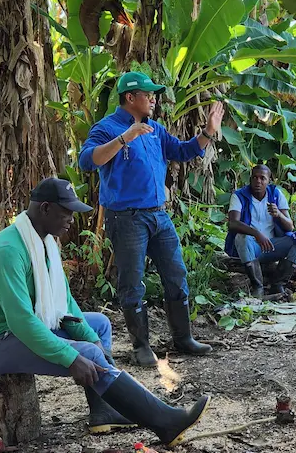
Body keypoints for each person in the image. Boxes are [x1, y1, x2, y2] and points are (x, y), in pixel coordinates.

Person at [0, 178, 209, 446]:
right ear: (45, 208)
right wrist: (71, 356)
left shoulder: (43, 243)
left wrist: (91, 340)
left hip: (19, 328)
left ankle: (104, 410)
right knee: (86, 354)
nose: (71, 219)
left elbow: (66, 305)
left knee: (98, 326)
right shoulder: (8, 251)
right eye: (66, 211)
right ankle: (166, 423)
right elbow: (21, 321)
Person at [79, 72, 223, 365]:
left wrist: (208, 131)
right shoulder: (107, 128)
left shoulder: (155, 128)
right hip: (127, 219)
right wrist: (124, 138)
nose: (154, 99)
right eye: (149, 94)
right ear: (130, 98)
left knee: (176, 275)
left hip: (159, 215)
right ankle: (140, 346)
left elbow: (183, 151)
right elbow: (86, 161)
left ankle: (183, 339)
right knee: (132, 282)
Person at [225, 164, 296, 298]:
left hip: (273, 246)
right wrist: (256, 233)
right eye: (255, 177)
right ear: (250, 179)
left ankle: (278, 284)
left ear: (269, 181)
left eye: (262, 178)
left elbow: (290, 227)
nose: (258, 181)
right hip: (251, 247)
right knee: (241, 237)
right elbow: (233, 223)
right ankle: (258, 287)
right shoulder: (239, 196)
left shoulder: (276, 194)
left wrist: (279, 214)